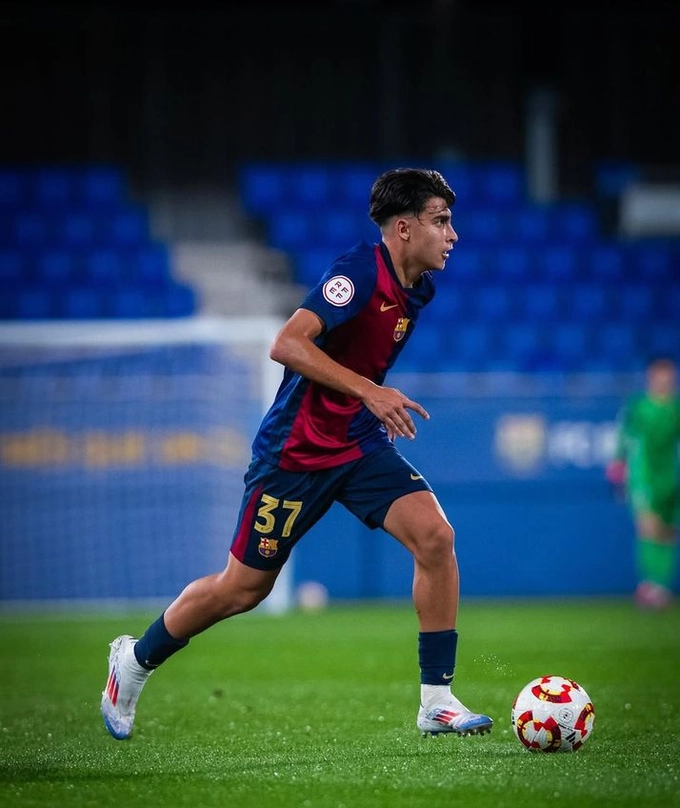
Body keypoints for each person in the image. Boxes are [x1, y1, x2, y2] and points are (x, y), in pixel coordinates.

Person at [101, 167, 493, 740]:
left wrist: (365, 402)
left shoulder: (419, 288)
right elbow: (286, 344)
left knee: (435, 537)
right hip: (296, 453)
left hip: (356, 443)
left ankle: (436, 700)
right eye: (441, 221)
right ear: (405, 228)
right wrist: (371, 391)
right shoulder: (358, 273)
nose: (453, 234)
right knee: (242, 589)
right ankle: (134, 660)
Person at [606, 357, 680, 608]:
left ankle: (662, 585)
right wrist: (618, 461)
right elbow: (625, 435)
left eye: (668, 374)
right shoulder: (638, 405)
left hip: (672, 475)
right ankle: (648, 584)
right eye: (659, 374)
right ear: (650, 376)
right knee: (648, 526)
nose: (664, 379)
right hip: (643, 475)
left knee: (669, 531)